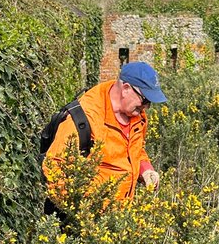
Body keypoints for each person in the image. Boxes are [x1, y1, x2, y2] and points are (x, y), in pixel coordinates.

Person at [42, 61, 166, 202]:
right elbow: (54, 166)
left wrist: (145, 169)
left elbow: (135, 149)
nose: (146, 107)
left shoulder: (137, 117)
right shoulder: (83, 118)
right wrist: (80, 210)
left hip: (119, 217)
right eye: (145, 100)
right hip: (88, 217)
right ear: (125, 89)